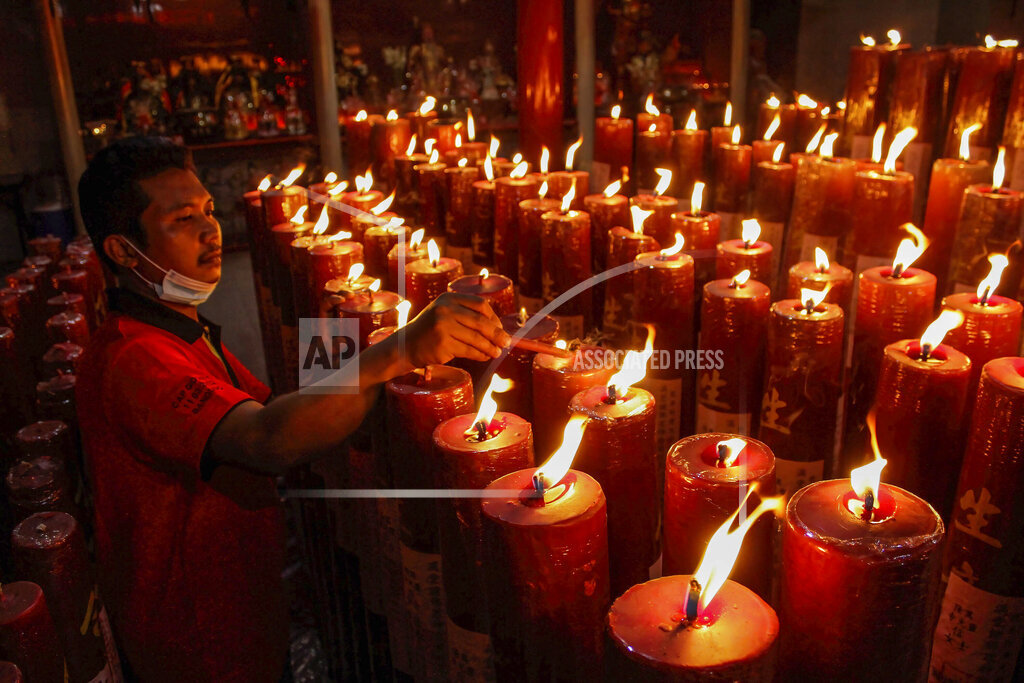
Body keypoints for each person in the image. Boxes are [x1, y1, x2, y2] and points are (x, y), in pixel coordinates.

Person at [75, 137, 509, 682]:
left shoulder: (179, 329)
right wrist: (399, 349)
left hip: (244, 603)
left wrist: (353, 338)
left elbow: (295, 401)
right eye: (183, 219)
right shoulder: (134, 360)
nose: (211, 231)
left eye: (209, 210)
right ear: (120, 250)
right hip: (197, 636)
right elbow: (268, 440)